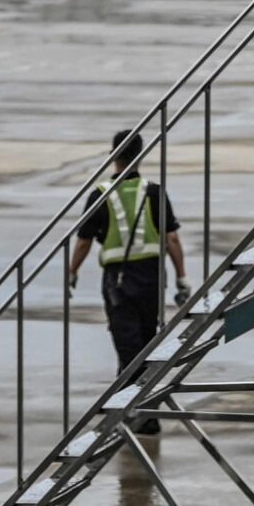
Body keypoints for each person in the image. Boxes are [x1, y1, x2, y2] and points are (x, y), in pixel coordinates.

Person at [67, 131, 190, 433]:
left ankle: (139, 413)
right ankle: (141, 410)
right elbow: (171, 237)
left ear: (113, 154)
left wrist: (72, 271)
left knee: (128, 344)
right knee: (146, 343)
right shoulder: (154, 192)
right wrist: (182, 278)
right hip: (151, 277)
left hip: (118, 281)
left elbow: (83, 241)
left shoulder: (100, 194)